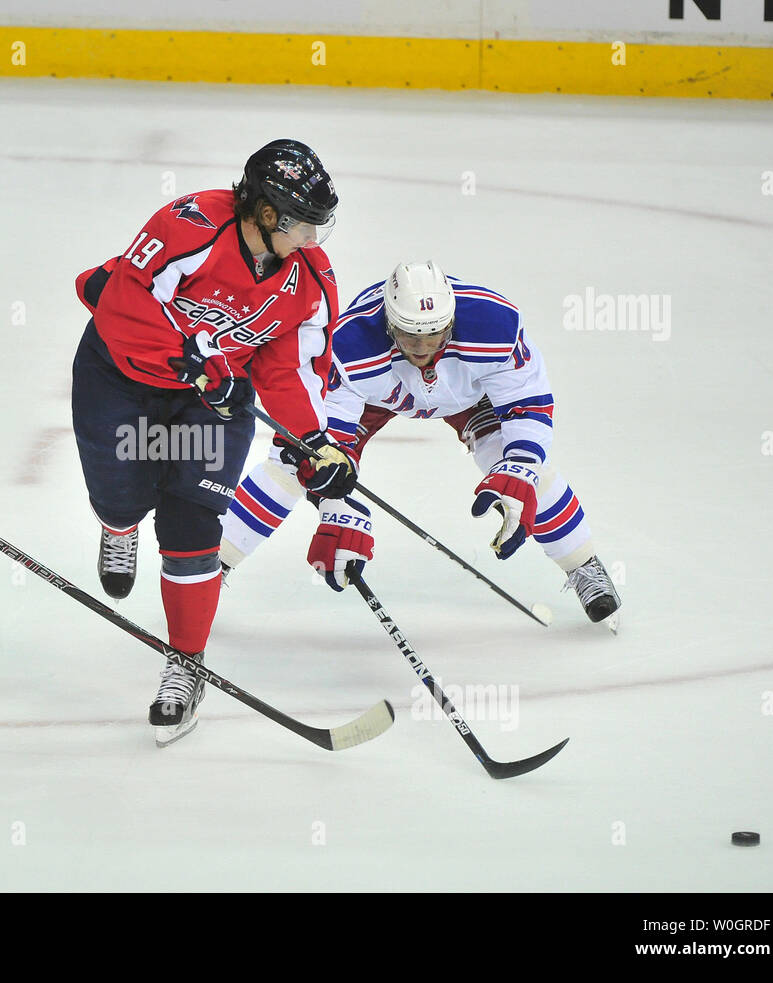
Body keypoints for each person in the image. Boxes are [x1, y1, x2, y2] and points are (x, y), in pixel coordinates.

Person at [72, 138, 356, 746]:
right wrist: (196, 363)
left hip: (216, 402)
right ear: (267, 213)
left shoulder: (308, 279)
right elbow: (119, 306)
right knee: (121, 498)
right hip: (121, 378)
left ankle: (186, 663)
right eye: (302, 224)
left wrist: (315, 444)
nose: (311, 239)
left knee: (192, 524)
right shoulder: (189, 224)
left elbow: (291, 368)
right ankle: (118, 525)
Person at [220, 260, 622, 626]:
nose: (423, 349)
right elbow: (325, 445)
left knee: (525, 472)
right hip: (376, 396)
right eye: (410, 336)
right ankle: (212, 562)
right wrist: (335, 505)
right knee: (292, 466)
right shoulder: (349, 343)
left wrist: (518, 468)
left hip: (468, 393)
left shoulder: (494, 324)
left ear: (452, 321)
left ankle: (582, 564)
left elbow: (527, 405)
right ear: (388, 323)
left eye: (434, 336)